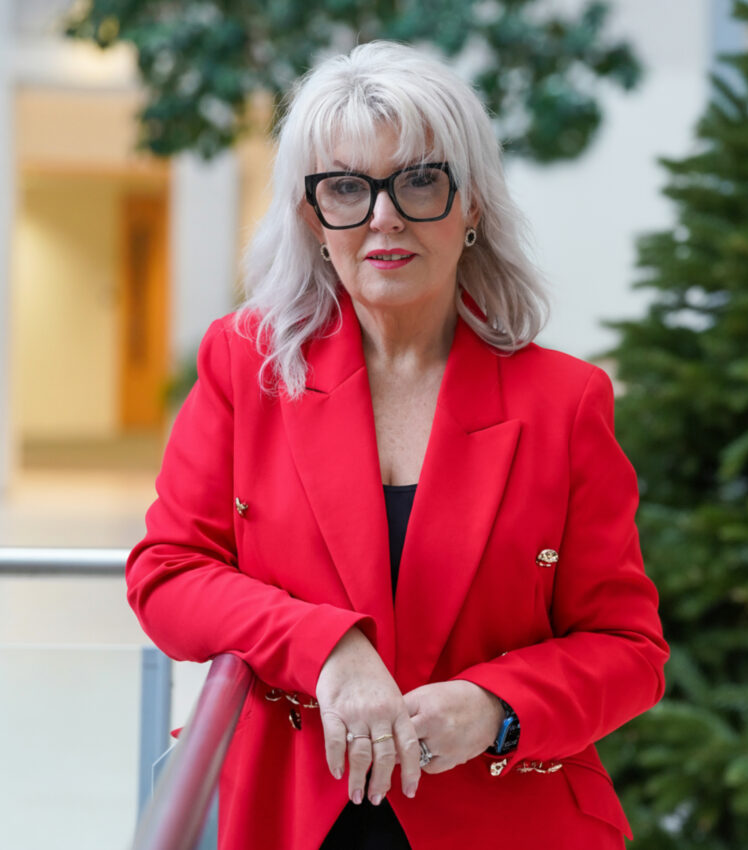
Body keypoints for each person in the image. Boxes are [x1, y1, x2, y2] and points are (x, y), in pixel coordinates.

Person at [127, 41, 668, 850]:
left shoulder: (566, 400)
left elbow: (629, 650)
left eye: (419, 179)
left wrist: (496, 706)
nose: (384, 216)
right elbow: (167, 573)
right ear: (312, 216)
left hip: (504, 817)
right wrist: (327, 648)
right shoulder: (246, 363)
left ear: (472, 204)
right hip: (288, 810)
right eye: (346, 186)